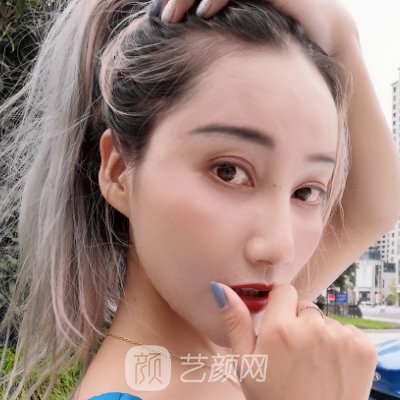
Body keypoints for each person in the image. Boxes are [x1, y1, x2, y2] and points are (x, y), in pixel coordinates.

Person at [1, 0, 399, 399]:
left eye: (306, 191)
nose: (281, 247)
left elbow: (376, 207)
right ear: (119, 172)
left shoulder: (249, 343)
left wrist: (341, 35)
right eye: (228, 171)